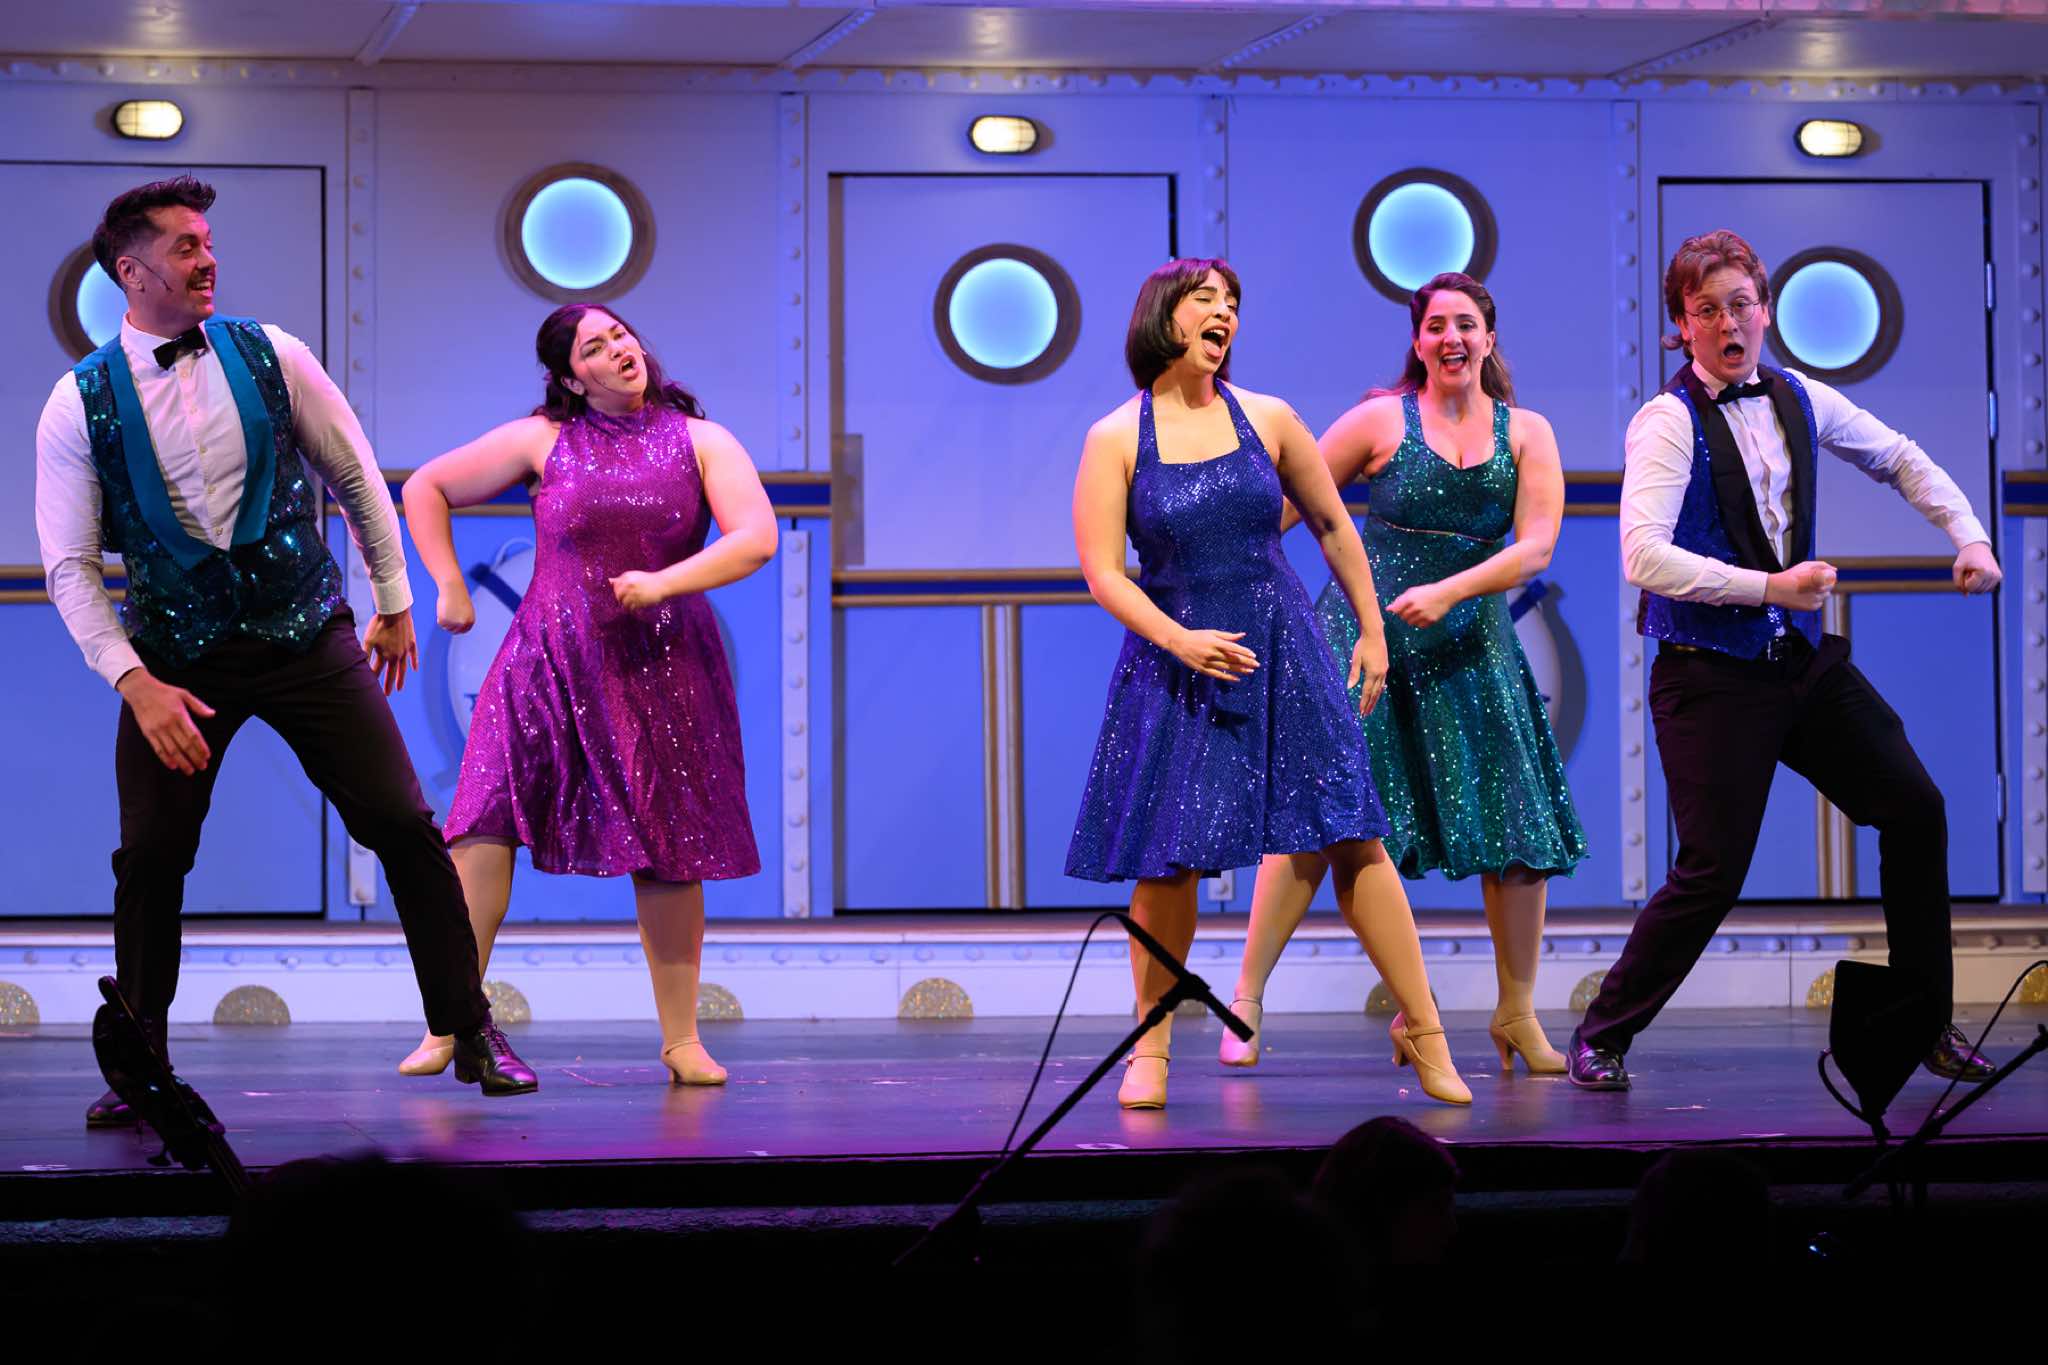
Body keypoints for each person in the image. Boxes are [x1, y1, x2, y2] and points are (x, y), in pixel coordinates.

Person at [34, 177, 534, 1122]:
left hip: (305, 633)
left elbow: (353, 471)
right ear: (131, 273)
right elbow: (68, 566)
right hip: (177, 658)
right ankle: (140, 1066)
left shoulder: (275, 353)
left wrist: (393, 599)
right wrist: (136, 684)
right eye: (185, 247)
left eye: (208, 241)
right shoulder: (76, 403)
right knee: (150, 856)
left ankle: (470, 1026)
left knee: (402, 821)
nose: (208, 259)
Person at [1569, 229, 2000, 1089]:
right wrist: (1770, 588)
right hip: (1707, 673)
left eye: (1740, 305)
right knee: (1713, 869)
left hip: (1796, 663)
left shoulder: (1800, 396)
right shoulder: (1667, 422)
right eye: (1706, 310)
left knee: (1915, 808)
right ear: (1681, 327)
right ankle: (1602, 1034)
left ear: (1765, 311)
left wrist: (1970, 534)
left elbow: (1897, 456)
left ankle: (1925, 1021)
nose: (1727, 324)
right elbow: (1643, 557)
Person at [1066, 258, 1467, 1109]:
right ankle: (1151, 1047)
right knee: (1169, 856)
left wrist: (1372, 630)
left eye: (1233, 303)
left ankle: (1428, 1029)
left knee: (1352, 832)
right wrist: (1180, 639)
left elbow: (1332, 524)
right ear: (1163, 317)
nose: (1226, 314)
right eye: (1206, 300)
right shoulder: (1115, 437)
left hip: (1284, 646)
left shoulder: (1270, 417)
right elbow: (1102, 572)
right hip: (1179, 658)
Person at [397, 303, 774, 1086]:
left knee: (671, 846)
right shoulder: (544, 438)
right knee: (483, 820)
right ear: (571, 378)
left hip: (660, 661)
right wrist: (448, 586)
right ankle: (449, 1021)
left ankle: (682, 1040)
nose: (619, 349)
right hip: (547, 658)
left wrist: (663, 582)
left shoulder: (702, 440)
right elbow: (427, 485)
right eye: (595, 347)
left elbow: (756, 537)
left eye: (621, 334)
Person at [1221, 273, 1587, 1078]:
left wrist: (1452, 590)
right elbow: (1290, 506)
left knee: (1517, 829)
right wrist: (1238, 583)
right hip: (1365, 642)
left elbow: (1536, 546)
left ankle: (1516, 1013)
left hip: (1474, 646)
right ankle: (1246, 998)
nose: (1452, 338)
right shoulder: (1381, 419)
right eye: (1436, 326)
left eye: (1466, 324)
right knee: (1320, 819)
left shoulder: (1527, 432)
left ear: (1489, 336)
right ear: (1418, 341)